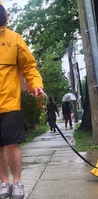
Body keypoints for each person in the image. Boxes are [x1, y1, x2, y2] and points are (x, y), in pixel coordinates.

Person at [0, 1, 44, 199]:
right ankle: (4, 183)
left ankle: (17, 182)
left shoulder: (13, 38)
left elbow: (29, 66)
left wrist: (36, 84)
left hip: (9, 101)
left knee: (11, 144)